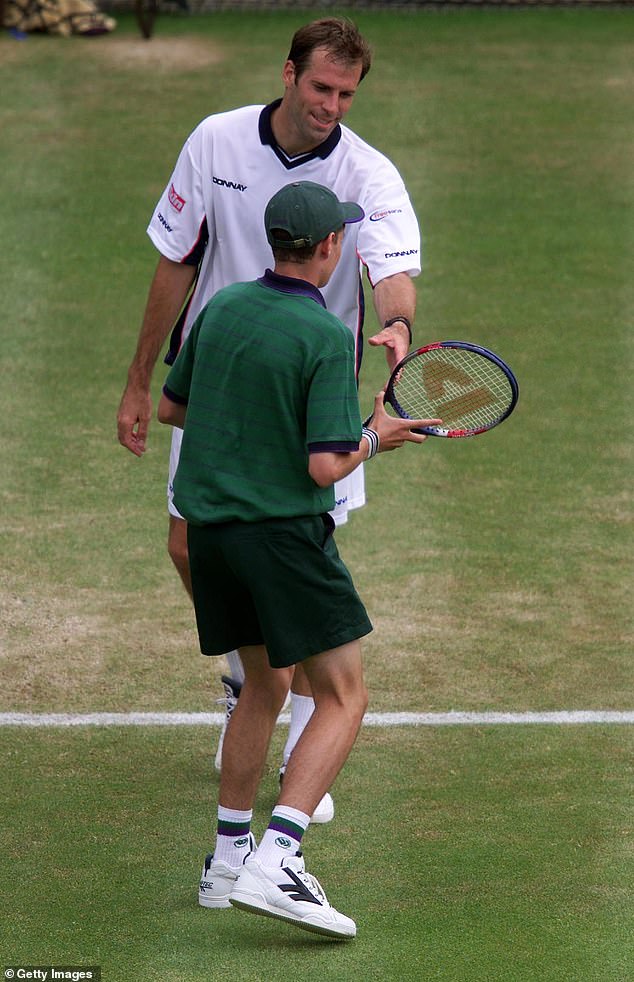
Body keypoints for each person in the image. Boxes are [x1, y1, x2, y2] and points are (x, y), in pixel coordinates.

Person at [117, 17, 422, 827]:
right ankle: (251, 677)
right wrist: (139, 380)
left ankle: (287, 722)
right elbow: (177, 257)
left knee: (293, 558)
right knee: (189, 543)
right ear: (289, 74)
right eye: (321, 88)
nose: (331, 106)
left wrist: (396, 326)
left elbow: (392, 272)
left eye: (346, 94)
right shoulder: (216, 141)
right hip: (215, 385)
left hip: (306, 398)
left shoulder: (371, 174)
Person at [157, 180, 439, 939]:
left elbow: (173, 406)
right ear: (328, 248)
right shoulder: (322, 335)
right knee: (344, 695)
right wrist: (379, 436)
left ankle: (224, 863)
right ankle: (277, 857)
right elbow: (325, 466)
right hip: (280, 539)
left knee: (264, 687)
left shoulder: (223, 308)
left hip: (211, 534)